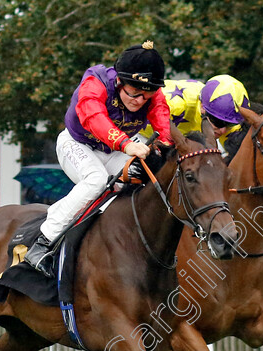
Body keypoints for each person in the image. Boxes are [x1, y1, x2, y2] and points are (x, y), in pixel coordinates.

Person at [24, 41, 174, 277]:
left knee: (143, 179)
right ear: (119, 81)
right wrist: (127, 144)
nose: (140, 101)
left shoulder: (149, 95)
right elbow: (94, 118)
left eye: (147, 96)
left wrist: (165, 145)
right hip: (77, 143)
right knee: (96, 180)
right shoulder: (96, 83)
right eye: (134, 94)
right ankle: (42, 242)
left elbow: (162, 119)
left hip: (113, 151)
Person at [139, 75, 250, 158]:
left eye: (230, 125)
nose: (223, 130)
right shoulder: (176, 104)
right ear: (202, 106)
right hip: (137, 131)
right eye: (218, 122)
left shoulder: (230, 117)